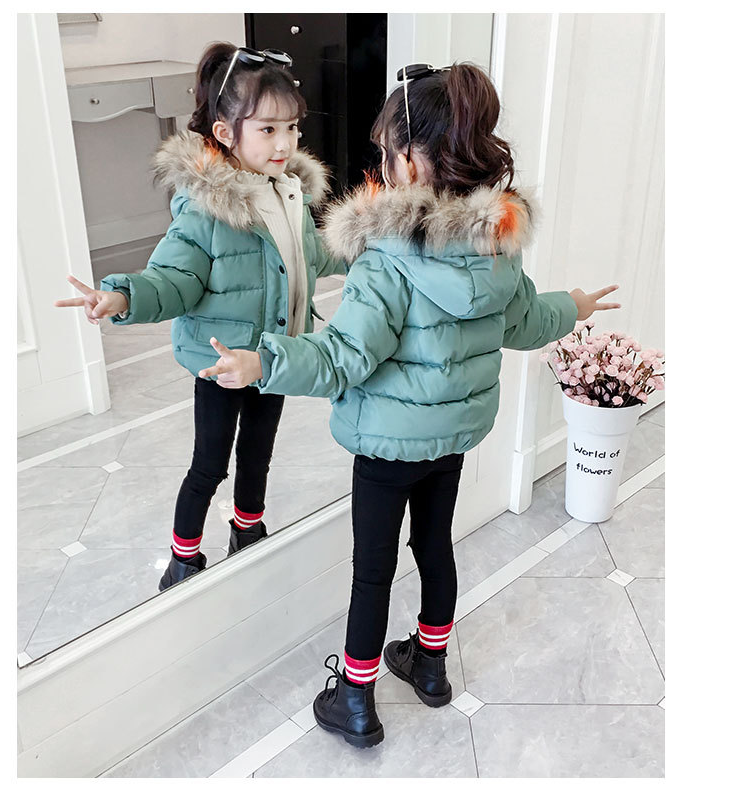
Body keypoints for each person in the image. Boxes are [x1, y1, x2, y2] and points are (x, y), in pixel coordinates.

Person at [199, 61, 621, 747]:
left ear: (413, 159)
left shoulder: (388, 257)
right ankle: (430, 666)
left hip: (387, 445)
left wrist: (264, 361)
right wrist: (573, 305)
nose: (381, 163)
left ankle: (355, 698)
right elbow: (523, 323)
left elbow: (343, 357)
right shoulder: (496, 245)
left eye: (387, 150)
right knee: (433, 545)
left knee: (372, 571)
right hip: (451, 437)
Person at [55, 42, 345, 591]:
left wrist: (365, 244)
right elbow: (174, 278)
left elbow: (315, 255)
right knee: (209, 464)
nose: (284, 143)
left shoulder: (291, 194)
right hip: (219, 364)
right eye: (267, 129)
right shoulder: (205, 208)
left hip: (272, 356)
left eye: (292, 128)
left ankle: (247, 531)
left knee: (258, 455)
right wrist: (123, 297)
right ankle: (183, 557)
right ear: (224, 131)